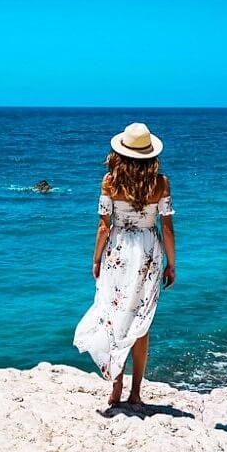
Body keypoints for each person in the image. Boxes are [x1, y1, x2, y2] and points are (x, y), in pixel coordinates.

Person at [73, 122, 176, 407]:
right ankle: (136, 393)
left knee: (113, 318)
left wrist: (95, 259)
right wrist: (172, 264)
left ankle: (115, 388)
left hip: (117, 252)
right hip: (147, 255)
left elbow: (103, 227)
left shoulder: (110, 181)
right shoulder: (161, 183)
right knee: (141, 322)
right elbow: (167, 227)